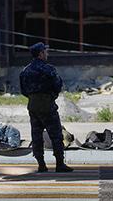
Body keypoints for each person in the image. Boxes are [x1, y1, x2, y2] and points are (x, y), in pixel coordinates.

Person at [19, 42, 74, 173]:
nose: (47, 54)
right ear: (41, 54)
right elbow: (58, 85)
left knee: (36, 135)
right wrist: (51, 96)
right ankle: (59, 164)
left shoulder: (25, 70)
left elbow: (23, 90)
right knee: (55, 134)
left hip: (32, 104)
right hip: (46, 104)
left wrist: (33, 96)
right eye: (45, 52)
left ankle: (41, 164)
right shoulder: (48, 69)